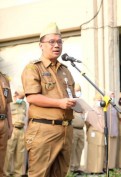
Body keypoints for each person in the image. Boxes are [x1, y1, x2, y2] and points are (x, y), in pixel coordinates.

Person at [21, 22, 76, 177]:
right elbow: (32, 97)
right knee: (40, 174)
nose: (56, 45)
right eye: (51, 42)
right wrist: (59, 103)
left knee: (60, 174)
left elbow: (69, 96)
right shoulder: (33, 68)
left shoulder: (65, 70)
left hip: (66, 129)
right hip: (44, 130)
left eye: (59, 42)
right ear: (41, 45)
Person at [4, 88, 27, 177]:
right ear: (15, 95)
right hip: (12, 129)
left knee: (20, 153)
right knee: (8, 153)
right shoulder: (9, 103)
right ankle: (6, 173)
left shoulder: (24, 104)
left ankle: (18, 174)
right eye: (20, 97)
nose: (21, 99)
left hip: (21, 129)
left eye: (23, 97)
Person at [85, 93, 105, 174]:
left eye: (100, 100)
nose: (99, 102)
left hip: (101, 133)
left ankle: (99, 169)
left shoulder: (103, 110)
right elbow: (87, 122)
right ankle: (92, 170)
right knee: (93, 151)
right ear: (94, 101)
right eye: (98, 100)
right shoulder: (91, 110)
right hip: (93, 132)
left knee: (100, 151)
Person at [70, 84, 85, 174]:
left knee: (79, 148)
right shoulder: (71, 102)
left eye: (79, 90)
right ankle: (71, 168)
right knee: (72, 148)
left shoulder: (81, 103)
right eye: (76, 90)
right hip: (73, 129)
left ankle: (77, 167)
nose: (78, 92)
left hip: (81, 129)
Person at [0, 71, 13, 176]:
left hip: (3, 121)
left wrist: (10, 124)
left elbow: (8, 105)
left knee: (2, 156)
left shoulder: (4, 78)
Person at [106, 91, 119, 170]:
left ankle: (112, 166)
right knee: (108, 150)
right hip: (108, 131)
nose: (113, 97)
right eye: (111, 96)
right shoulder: (106, 106)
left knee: (113, 150)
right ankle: (106, 166)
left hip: (114, 130)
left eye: (113, 96)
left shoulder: (115, 107)